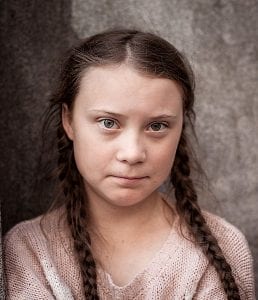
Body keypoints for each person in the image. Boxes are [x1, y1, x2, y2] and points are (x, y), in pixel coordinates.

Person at [3, 29, 255, 300]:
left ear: (180, 127)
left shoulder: (222, 249)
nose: (132, 153)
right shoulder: (29, 250)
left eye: (157, 126)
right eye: (108, 123)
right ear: (69, 120)